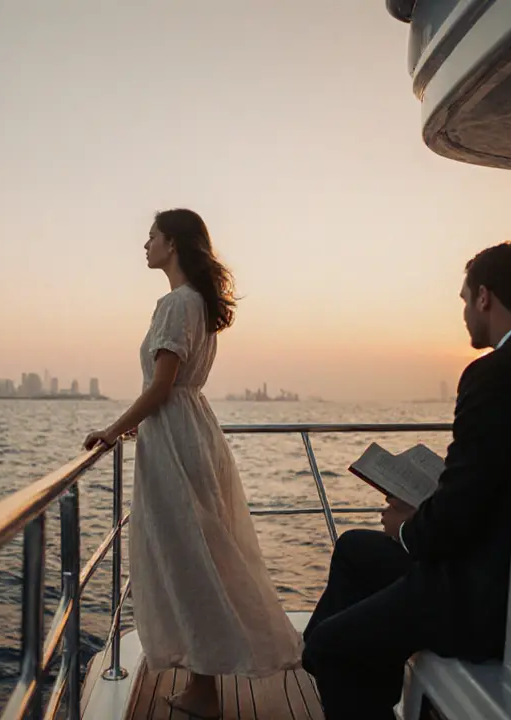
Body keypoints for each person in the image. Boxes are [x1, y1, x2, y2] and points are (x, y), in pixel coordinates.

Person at [302, 240, 511, 719]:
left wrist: (406, 525)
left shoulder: (494, 374)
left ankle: (344, 664)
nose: (463, 312)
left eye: (464, 299)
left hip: (494, 597)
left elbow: (451, 522)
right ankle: (368, 667)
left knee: (329, 646)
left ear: (484, 296)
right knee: (355, 549)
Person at [83, 209, 302, 719]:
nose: (145, 244)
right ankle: (203, 681)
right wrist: (147, 421)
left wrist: (112, 430)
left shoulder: (176, 303)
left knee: (188, 561)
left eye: (152, 236)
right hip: (189, 431)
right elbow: (172, 389)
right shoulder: (197, 303)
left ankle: (203, 691)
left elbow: (161, 386)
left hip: (176, 444)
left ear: (174, 244)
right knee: (200, 557)